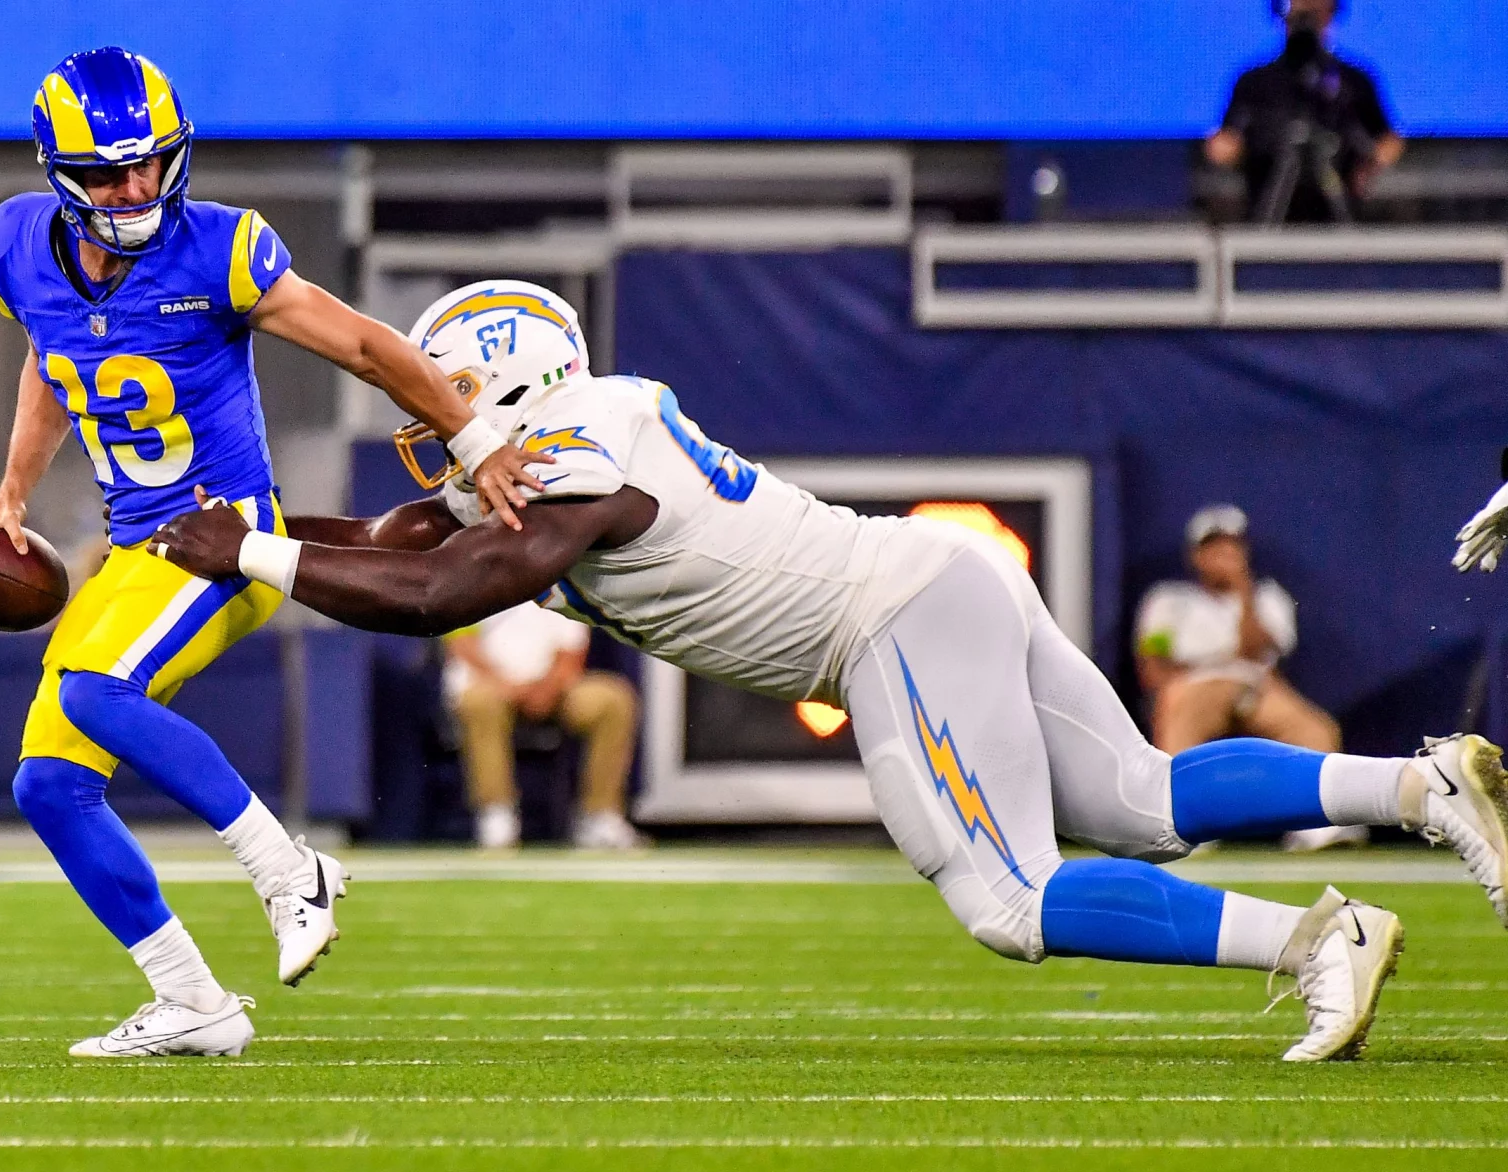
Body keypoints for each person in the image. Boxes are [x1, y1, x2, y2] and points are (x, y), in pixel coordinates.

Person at [154, 279, 1508, 1064]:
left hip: (886, 626)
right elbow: (398, 542)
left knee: (1010, 898)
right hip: (934, 586)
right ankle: (1422, 784)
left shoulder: (581, 435)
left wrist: (252, 560)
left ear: (509, 383)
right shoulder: (569, 438)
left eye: (442, 398)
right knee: (1144, 802)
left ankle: (1317, 937)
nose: (429, 432)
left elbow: (441, 591)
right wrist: (232, 533)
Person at [0, 49, 549, 1060]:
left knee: (94, 693)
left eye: (150, 164)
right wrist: (12, 491)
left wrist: (474, 437)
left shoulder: (221, 249)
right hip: (135, 550)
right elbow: (53, 363)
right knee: (47, 785)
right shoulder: (10, 246)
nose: (135, 188)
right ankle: (193, 1002)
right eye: (107, 171)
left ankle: (289, 873)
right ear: (59, 173)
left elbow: (360, 344)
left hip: (226, 533)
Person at [1135, 505, 1360, 852]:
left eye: (1232, 547)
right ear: (1195, 555)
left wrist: (1242, 588)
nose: (1223, 556)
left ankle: (1316, 827)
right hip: (1196, 686)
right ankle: (1184, 826)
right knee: (1179, 711)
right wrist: (1201, 677)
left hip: (1254, 686)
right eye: (1213, 548)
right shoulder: (1168, 600)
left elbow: (1256, 652)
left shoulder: (1267, 597)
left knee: (1315, 728)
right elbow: (1154, 669)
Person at [445, 601, 643, 851]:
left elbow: (571, 655)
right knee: (481, 704)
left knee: (613, 700)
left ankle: (599, 817)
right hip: (487, 685)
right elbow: (461, 645)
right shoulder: (469, 580)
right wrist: (508, 686)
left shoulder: (558, 582)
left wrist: (546, 689)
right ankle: (496, 816)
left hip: (552, 689)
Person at [1205, 0, 1402, 224]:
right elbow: (1225, 144)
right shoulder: (1254, 83)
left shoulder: (1353, 82)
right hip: (1268, 215)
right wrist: (1229, 150)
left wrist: (1370, 164)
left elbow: (1387, 140)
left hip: (1338, 215)